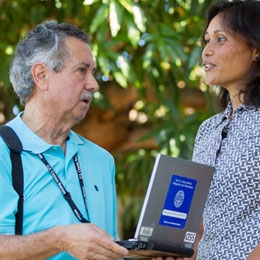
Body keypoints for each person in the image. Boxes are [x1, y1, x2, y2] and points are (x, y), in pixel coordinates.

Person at [0, 20, 128, 259]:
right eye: (82, 70)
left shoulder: (102, 160)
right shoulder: (2, 151)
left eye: (93, 72)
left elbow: (109, 250)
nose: (94, 84)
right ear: (41, 75)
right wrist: (61, 239)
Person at [191, 0, 260, 259]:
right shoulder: (207, 130)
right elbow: (200, 223)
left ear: (255, 48)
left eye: (220, 39)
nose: (207, 51)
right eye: (207, 40)